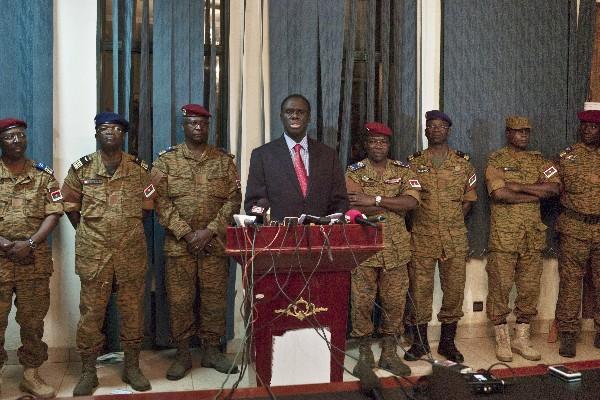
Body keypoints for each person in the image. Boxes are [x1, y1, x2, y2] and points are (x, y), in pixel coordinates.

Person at [61, 112, 154, 395]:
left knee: (132, 311)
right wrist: (93, 234)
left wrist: (122, 231)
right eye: (104, 128)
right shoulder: (82, 169)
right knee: (91, 313)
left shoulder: (139, 169)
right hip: (94, 255)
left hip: (130, 253)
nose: (110, 133)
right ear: (96, 134)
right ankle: (89, 372)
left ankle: (132, 366)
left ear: (123, 135)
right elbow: (70, 206)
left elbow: (147, 209)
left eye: (115, 129)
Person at [152, 104, 241, 379]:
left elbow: (234, 199)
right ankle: (182, 353)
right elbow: (159, 200)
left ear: (208, 127)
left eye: (202, 124)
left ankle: (212, 352)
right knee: (180, 301)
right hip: (180, 246)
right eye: (192, 123)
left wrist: (210, 230)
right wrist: (187, 232)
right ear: (184, 126)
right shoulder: (166, 161)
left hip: (214, 244)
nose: (198, 128)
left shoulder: (224, 161)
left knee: (214, 300)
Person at [346, 122, 421, 378]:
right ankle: (365, 352)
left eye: (383, 141)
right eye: (373, 141)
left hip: (396, 249)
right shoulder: (354, 172)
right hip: (364, 248)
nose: (378, 145)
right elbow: (354, 207)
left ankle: (389, 353)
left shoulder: (403, 170)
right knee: (362, 302)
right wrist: (392, 205)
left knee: (395, 302)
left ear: (389, 145)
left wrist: (375, 200)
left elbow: (411, 203)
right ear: (366, 144)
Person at [485, 116, 560, 362]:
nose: (524, 136)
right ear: (508, 133)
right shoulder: (496, 160)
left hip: (533, 236)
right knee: (500, 287)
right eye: (518, 132)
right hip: (504, 236)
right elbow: (499, 193)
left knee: (529, 289)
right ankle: (502, 340)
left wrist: (518, 186)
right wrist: (534, 192)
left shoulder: (540, 160)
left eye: (526, 131)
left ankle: (521, 338)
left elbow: (553, 189)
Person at [404, 110, 477, 363]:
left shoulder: (463, 162)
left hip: (454, 237)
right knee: (419, 289)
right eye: (431, 126)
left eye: (441, 126)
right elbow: (407, 198)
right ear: (426, 131)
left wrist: (453, 219)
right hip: (422, 236)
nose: (436, 130)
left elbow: (469, 197)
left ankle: (447, 343)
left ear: (448, 131)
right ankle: (420, 343)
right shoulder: (412, 163)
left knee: (454, 290)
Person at [0, 118, 62, 398]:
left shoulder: (43, 175)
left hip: (33, 262)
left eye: (21, 136)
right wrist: (3, 243)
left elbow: (55, 211)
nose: (17, 141)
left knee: (33, 322)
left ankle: (31, 374)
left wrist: (30, 242)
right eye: (11, 137)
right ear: (2, 141)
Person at [244, 94, 348, 219]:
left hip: (320, 234)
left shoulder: (328, 155)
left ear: (309, 117)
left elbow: (340, 201)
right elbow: (253, 203)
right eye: (289, 112)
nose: (294, 116)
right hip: (280, 234)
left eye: (301, 112)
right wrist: (262, 217)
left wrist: (331, 224)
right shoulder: (262, 155)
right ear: (281, 117)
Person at [555, 110, 600, 357]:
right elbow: (551, 186)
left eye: (593, 127)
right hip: (574, 228)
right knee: (571, 282)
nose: (587, 130)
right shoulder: (566, 157)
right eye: (584, 126)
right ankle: (568, 334)